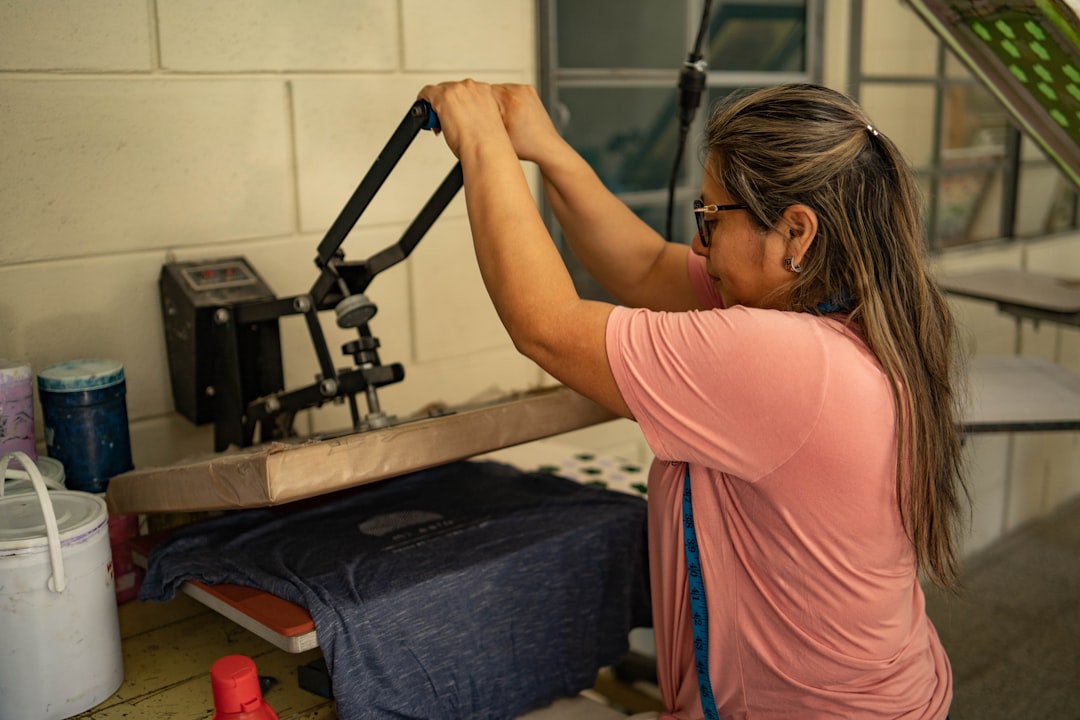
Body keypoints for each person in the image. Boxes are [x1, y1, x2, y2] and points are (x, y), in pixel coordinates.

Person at [417, 80, 965, 719]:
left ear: (795, 231)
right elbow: (646, 266)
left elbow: (545, 326)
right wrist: (546, 149)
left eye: (711, 218)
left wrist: (482, 144)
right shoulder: (858, 311)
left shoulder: (786, 358)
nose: (700, 244)